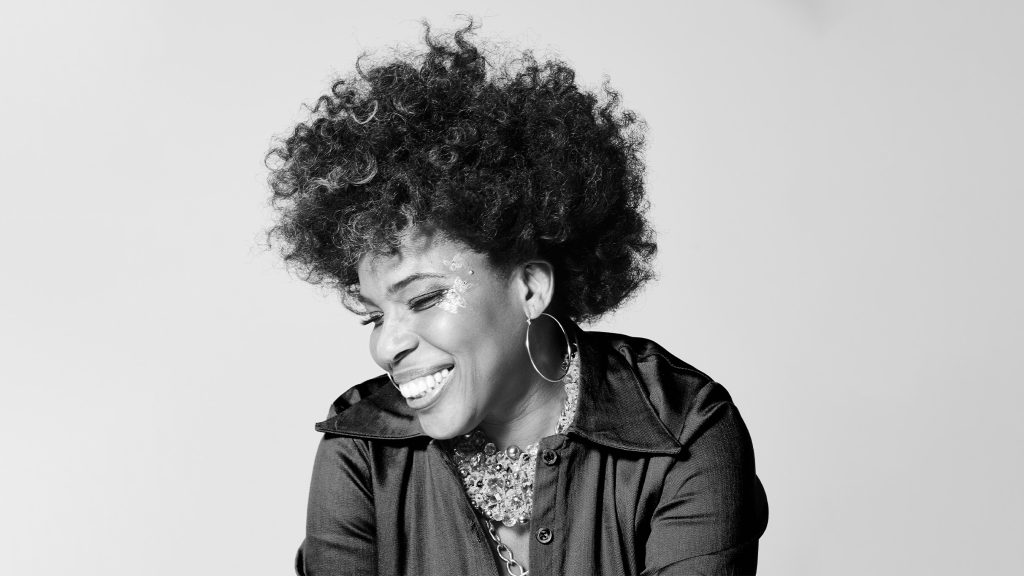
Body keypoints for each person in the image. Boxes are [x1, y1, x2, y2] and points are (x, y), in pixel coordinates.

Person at [267, 22, 768, 576]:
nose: (386, 347)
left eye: (425, 298)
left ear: (530, 287)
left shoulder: (682, 431)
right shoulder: (363, 451)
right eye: (374, 316)